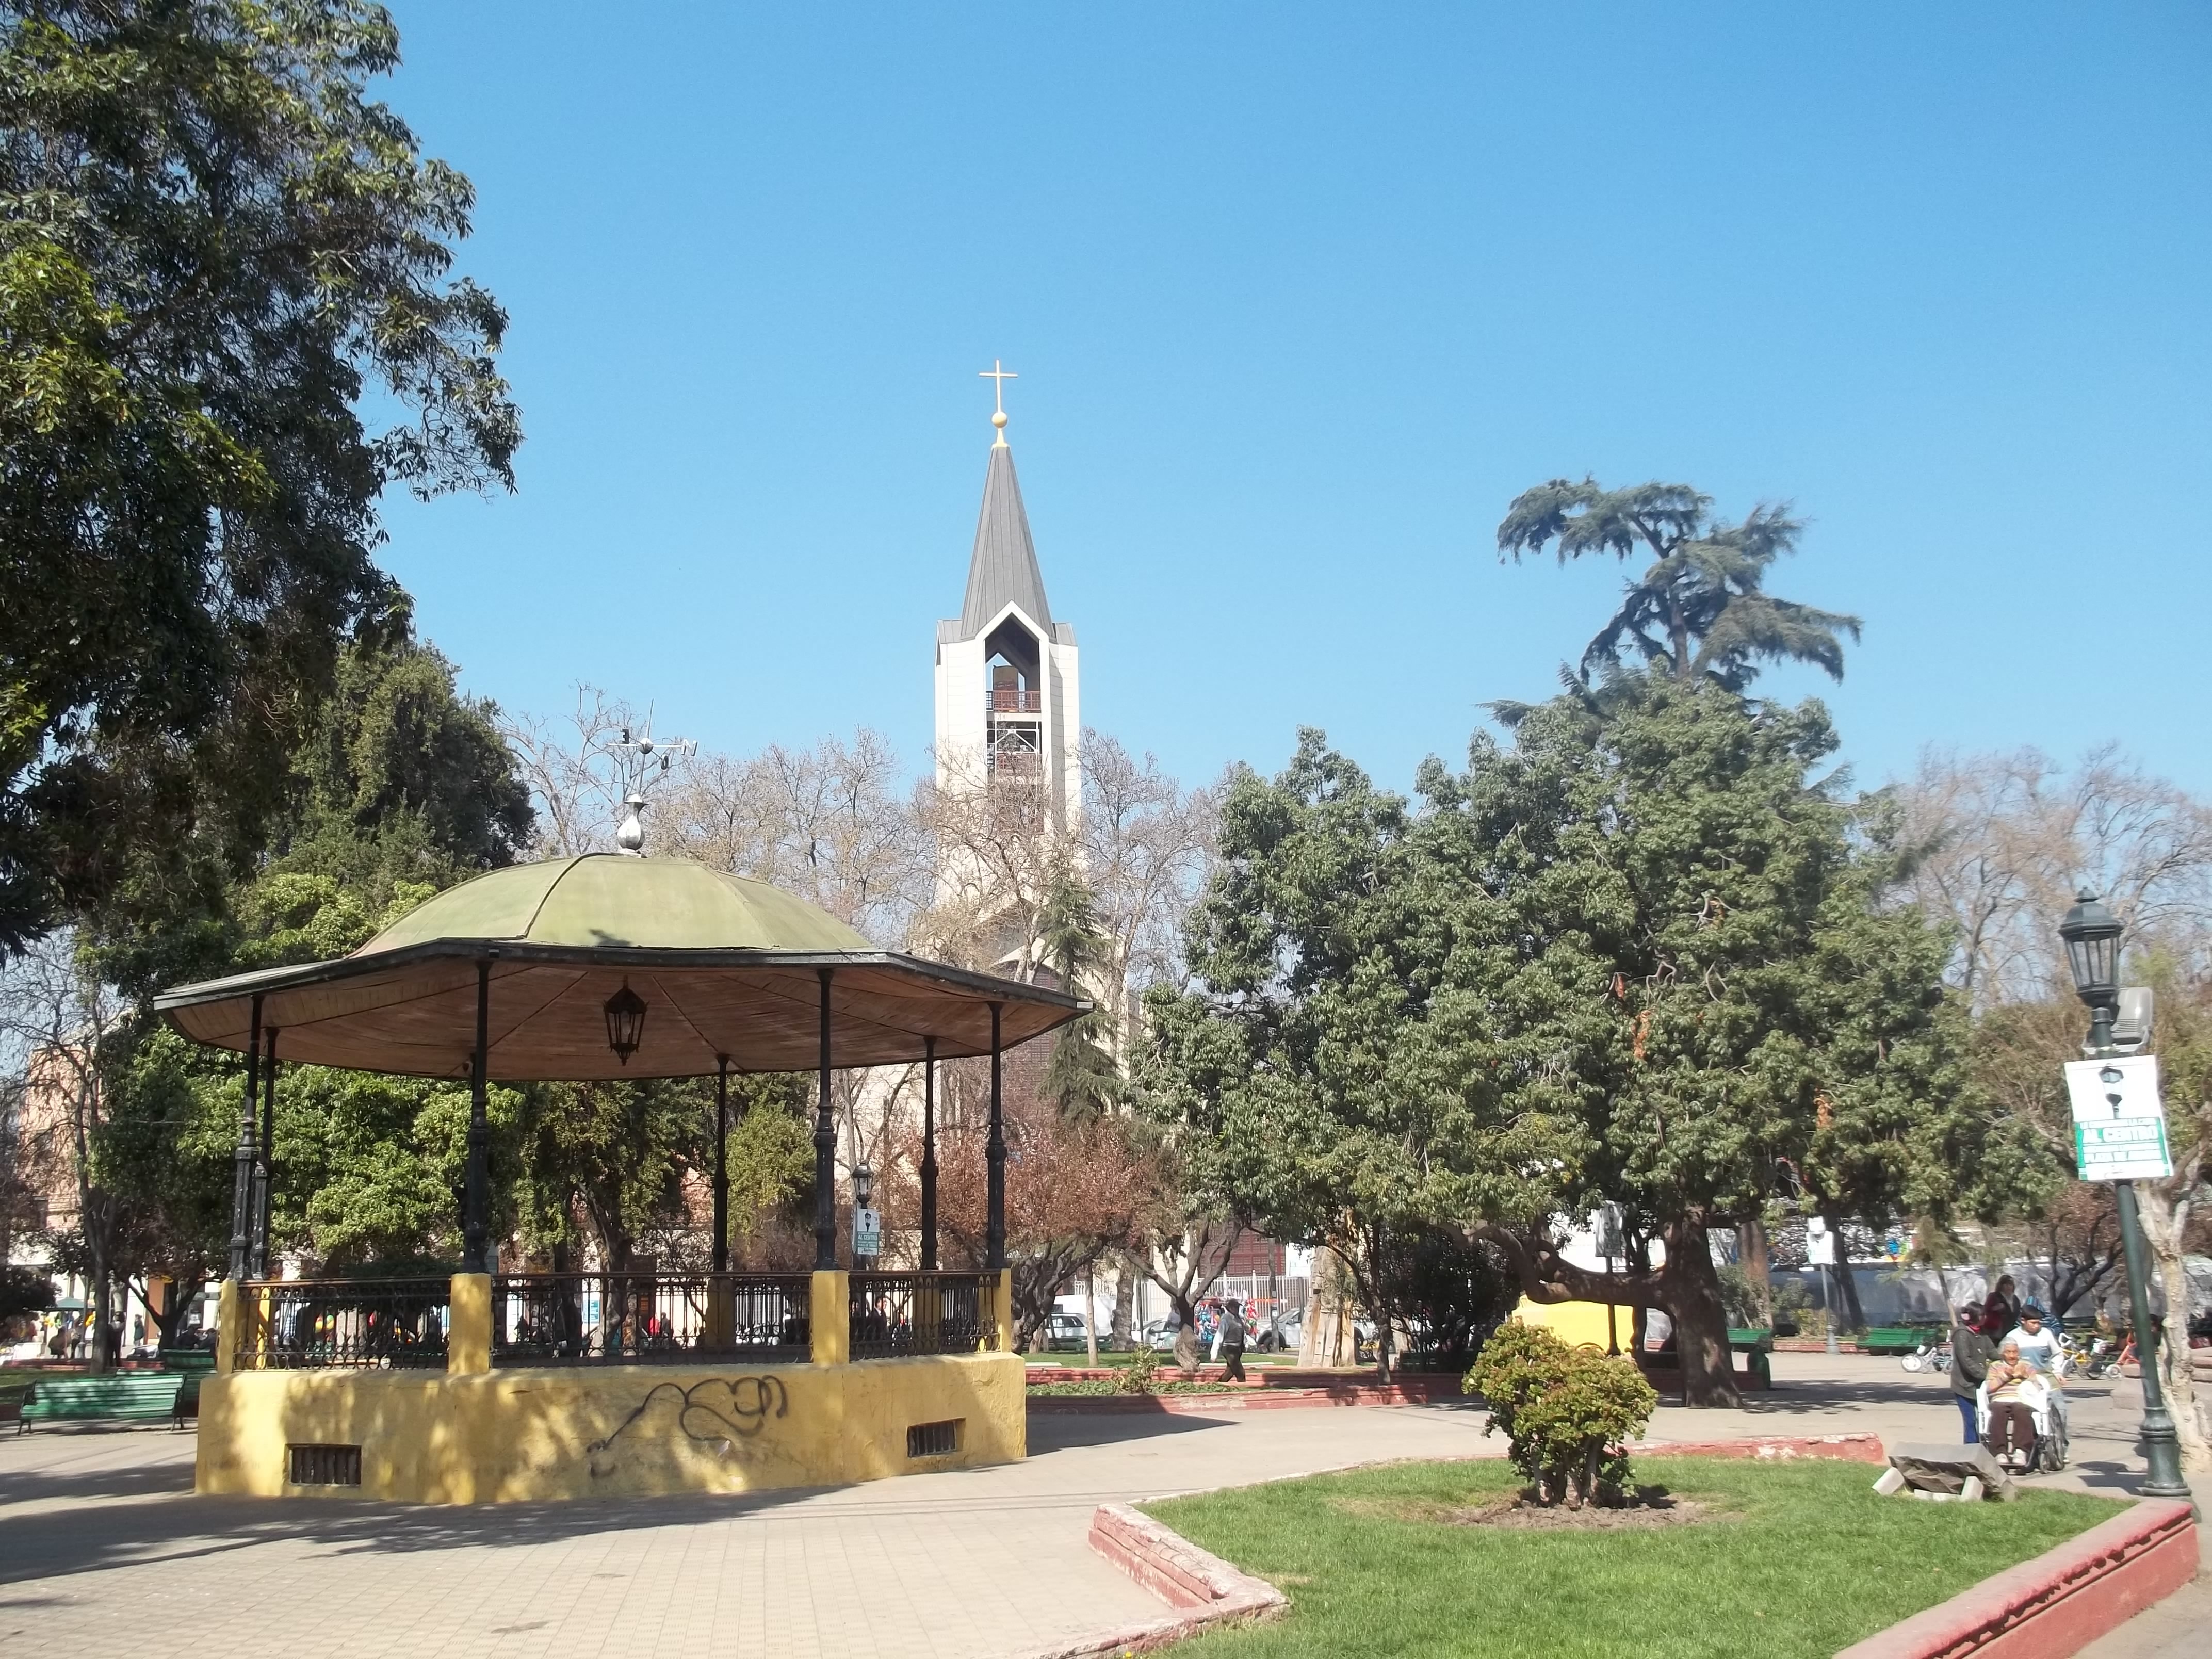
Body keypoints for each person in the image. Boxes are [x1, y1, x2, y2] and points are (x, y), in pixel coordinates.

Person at [1984, 1338, 2040, 1471]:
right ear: (2003, 1353)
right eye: (2008, 1352)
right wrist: (2006, 1376)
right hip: (2000, 1398)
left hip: (2021, 1398)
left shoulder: (2027, 1366)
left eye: (2015, 1352)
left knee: (2022, 1411)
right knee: (1998, 1412)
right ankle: (2000, 1452)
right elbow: (1989, 1388)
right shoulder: (1995, 1366)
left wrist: (2025, 1376)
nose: (2012, 1355)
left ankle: (2020, 1451)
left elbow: (2036, 1387)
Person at [1950, 1305, 1994, 1444]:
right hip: (1964, 1385)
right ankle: (1970, 1450)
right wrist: (1986, 1375)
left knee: (1986, 1418)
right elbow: (1966, 1361)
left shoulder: (1983, 1332)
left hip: (1981, 1386)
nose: (1985, 1318)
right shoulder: (1961, 1334)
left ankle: (1986, 1448)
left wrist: (2007, 1361)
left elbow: (1992, 1352)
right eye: (1982, 1316)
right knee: (1971, 1420)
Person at [1981, 1275, 2021, 1340]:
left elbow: (2017, 1313)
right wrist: (1995, 1308)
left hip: (2012, 1329)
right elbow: (1986, 1310)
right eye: (2006, 1285)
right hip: (1997, 1331)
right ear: (2001, 1286)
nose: (2009, 1287)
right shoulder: (1994, 1296)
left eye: (2010, 1285)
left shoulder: (2015, 1299)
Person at [1219, 1299, 1249, 1382]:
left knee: (1230, 1371)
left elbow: (1242, 1333)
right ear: (1230, 1308)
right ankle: (1243, 1385)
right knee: (1240, 1371)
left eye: (1237, 1308)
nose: (1237, 1309)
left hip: (1237, 1348)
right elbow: (1220, 1335)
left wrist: (1244, 1344)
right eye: (1235, 1308)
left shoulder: (1238, 1319)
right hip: (1228, 1348)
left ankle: (1220, 1383)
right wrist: (1214, 1353)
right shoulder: (1226, 1319)